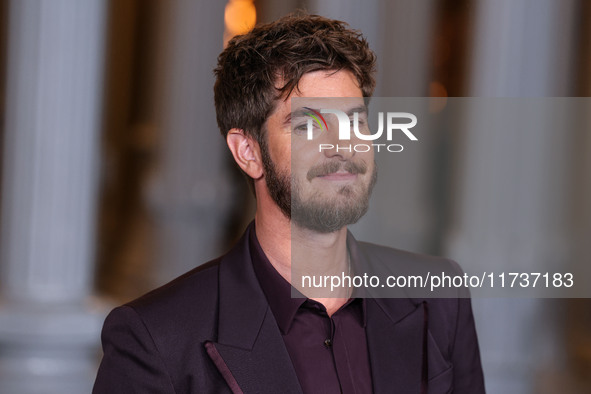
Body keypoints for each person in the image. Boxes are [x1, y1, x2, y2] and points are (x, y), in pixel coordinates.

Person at [93, 13, 485, 394]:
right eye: (308, 125)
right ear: (248, 151)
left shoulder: (440, 297)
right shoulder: (154, 339)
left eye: (355, 120)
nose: (342, 146)